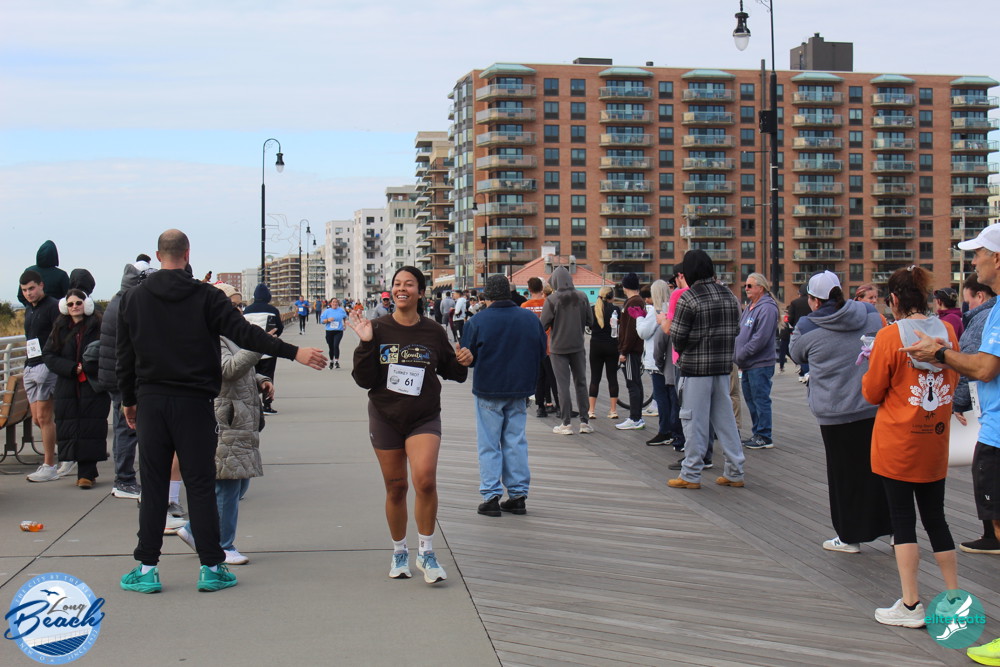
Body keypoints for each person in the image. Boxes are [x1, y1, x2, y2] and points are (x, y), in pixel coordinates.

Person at [116, 229, 326, 594]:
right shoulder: (206, 296)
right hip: (196, 403)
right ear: (187, 254)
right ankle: (211, 567)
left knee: (154, 485)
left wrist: (128, 400)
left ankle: (147, 568)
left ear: (158, 255)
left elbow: (125, 355)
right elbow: (246, 334)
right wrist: (294, 352)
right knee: (200, 485)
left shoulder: (134, 298)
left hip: (152, 400)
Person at [347, 266, 471, 584]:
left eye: (409, 284)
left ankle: (426, 552)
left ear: (421, 292)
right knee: (396, 487)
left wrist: (464, 361)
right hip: (385, 417)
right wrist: (366, 344)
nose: (402, 288)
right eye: (397, 284)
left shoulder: (433, 331)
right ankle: (399, 551)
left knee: (425, 480)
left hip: (423, 416)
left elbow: (453, 371)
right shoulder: (376, 328)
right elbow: (363, 380)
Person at [862, 265, 960, 628]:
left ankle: (910, 603)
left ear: (894, 300)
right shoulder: (947, 332)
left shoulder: (889, 337)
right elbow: (954, 375)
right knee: (937, 518)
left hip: (897, 443)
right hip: (934, 440)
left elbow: (872, 392)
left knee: (903, 521)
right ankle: (954, 598)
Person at [789, 270, 890, 553]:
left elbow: (795, 354)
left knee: (843, 476)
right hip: (872, 405)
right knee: (881, 471)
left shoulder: (808, 325)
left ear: (814, 300)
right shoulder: (870, 314)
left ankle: (849, 537)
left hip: (834, 411)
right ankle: (895, 530)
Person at [175, 283, 273, 566]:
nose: (238, 311)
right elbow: (226, 369)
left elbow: (239, 368)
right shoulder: (208, 334)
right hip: (224, 418)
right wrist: (258, 345)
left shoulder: (228, 334)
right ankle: (223, 545)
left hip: (239, 418)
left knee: (237, 484)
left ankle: (194, 530)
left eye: (239, 305)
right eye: (233, 305)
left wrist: (261, 379)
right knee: (228, 486)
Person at [462, 275, 546, 516]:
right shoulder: (529, 319)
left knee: (489, 443)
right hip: (520, 389)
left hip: (488, 388)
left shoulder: (477, 321)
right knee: (515, 441)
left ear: (487, 296)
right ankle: (518, 495)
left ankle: (491, 496)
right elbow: (542, 351)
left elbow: (468, 358)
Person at [667, 249, 745, 490]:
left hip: (695, 369)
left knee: (693, 422)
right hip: (722, 368)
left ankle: (690, 474)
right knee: (726, 421)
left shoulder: (689, 298)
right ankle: (735, 471)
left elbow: (677, 337)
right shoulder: (729, 295)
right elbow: (737, 330)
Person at [96, 258, 156, 499]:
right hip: (122, 378)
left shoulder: (118, 300)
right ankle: (123, 480)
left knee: (124, 428)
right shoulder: (128, 304)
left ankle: (123, 478)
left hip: (114, 375)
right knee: (126, 429)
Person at [42, 286, 110, 488]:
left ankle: (86, 473)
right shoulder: (60, 327)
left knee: (91, 428)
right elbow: (49, 355)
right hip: (68, 385)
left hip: (92, 385)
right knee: (71, 428)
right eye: (70, 304)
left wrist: (89, 367)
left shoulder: (99, 326)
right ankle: (84, 470)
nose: (74, 307)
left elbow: (107, 352)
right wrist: (71, 368)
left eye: (78, 303)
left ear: (86, 304)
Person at [950, 273, 998, 553]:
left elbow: (976, 367)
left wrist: (958, 403)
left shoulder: (984, 318)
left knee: (987, 478)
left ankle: (992, 535)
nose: (965, 306)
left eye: (966, 299)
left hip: (993, 420)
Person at [19, 270, 68, 482]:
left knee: (45, 418)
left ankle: (49, 465)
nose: (28, 293)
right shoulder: (29, 309)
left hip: (46, 366)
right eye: (24, 290)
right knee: (38, 419)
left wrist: (53, 361)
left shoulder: (52, 307)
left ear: (41, 285)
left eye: (31, 288)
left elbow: (61, 336)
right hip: (31, 365)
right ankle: (68, 450)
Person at [539, 266, 594, 435]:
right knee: (581, 383)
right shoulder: (582, 296)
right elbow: (590, 321)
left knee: (562, 386)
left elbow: (542, 325)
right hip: (578, 346)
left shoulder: (552, 300)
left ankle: (566, 423)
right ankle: (584, 422)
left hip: (558, 348)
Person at [735, 273, 779, 450]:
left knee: (761, 399)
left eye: (750, 286)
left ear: (760, 288)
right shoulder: (750, 307)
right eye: (745, 285)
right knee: (751, 399)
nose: (746, 289)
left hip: (760, 363)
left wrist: (741, 354)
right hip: (748, 363)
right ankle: (757, 433)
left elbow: (760, 338)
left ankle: (764, 435)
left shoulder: (767, 308)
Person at [643, 280, 679, 447]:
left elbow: (644, 332)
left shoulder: (656, 311)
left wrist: (638, 319)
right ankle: (674, 430)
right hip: (672, 362)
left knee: (661, 397)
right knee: (672, 399)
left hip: (658, 361)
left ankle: (665, 430)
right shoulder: (673, 308)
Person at [244, 284, 283, 415]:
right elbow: (279, 328)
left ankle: (253, 405)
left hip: (250, 350)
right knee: (267, 377)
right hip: (268, 350)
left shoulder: (247, 310)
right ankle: (267, 405)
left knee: (251, 377)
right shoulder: (272, 310)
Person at [522, 278, 558, 417]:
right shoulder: (548, 304)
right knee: (552, 377)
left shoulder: (524, 306)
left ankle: (540, 407)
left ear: (529, 289)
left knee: (539, 377)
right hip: (548, 344)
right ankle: (558, 405)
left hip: (532, 347)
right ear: (542, 289)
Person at [616, 272, 646, 430]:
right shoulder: (639, 301)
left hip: (630, 351)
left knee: (632, 383)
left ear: (625, 286)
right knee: (636, 383)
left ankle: (635, 418)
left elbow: (631, 331)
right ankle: (637, 417)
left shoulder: (632, 302)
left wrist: (623, 351)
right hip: (636, 349)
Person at [587, 286, 620, 421]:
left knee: (595, 378)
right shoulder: (616, 309)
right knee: (612, 378)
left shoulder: (592, 309)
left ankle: (591, 410)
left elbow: (589, 326)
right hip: (612, 346)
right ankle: (613, 410)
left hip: (596, 346)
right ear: (611, 297)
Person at [17, 240, 69, 306]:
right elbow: (69, 297)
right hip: (56, 310)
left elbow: (20, 296)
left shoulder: (29, 271)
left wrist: (31, 308)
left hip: (34, 309)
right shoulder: (61, 275)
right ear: (55, 256)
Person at [788, 284, 812, 382]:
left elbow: (790, 318)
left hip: (799, 330)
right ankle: (808, 372)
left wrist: (794, 325)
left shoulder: (795, 303)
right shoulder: (813, 301)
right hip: (813, 329)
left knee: (802, 352)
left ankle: (804, 372)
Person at [321, 298, 348, 369]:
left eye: (336, 302)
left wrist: (345, 324)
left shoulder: (341, 310)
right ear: (330, 303)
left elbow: (345, 317)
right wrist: (328, 320)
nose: (335, 303)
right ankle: (331, 361)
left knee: (336, 345)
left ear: (338, 303)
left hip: (338, 331)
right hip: (329, 331)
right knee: (331, 347)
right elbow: (322, 321)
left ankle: (336, 361)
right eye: (333, 302)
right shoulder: (327, 311)